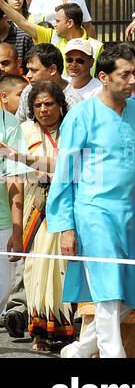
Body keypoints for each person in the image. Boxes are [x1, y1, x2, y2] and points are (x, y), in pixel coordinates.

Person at [46, 46, 135, 359]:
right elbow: (65, 173)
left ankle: (79, 351)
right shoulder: (81, 115)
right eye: (124, 74)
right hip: (94, 213)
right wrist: (66, 227)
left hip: (131, 214)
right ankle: (111, 354)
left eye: (133, 73)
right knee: (107, 288)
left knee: (128, 295)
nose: (132, 80)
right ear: (103, 77)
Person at [6, 80, 73, 351]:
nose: (44, 109)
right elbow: (16, 177)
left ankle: (68, 331)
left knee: (62, 270)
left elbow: (74, 167)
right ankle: (40, 333)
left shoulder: (71, 130)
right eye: (38, 105)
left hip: (66, 208)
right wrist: (17, 226)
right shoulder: (24, 131)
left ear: (60, 105)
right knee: (36, 270)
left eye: (49, 104)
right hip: (36, 209)